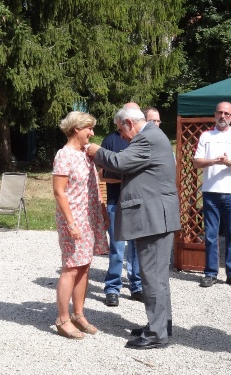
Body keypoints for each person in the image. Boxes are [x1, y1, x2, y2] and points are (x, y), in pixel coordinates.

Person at [87, 106, 180, 349]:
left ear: (129, 123)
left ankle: (157, 334)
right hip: (155, 216)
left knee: (152, 277)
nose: (123, 136)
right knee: (157, 277)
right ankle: (160, 324)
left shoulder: (147, 138)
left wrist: (95, 150)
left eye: (121, 130)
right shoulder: (152, 136)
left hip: (153, 218)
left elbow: (119, 162)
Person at [52, 111, 109, 340]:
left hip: (89, 217)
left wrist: (102, 210)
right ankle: (63, 318)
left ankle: (78, 314)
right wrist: (71, 223)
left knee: (85, 265)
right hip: (72, 218)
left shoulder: (86, 154)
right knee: (71, 267)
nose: (92, 133)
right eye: (89, 129)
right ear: (76, 129)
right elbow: (59, 191)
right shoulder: (64, 155)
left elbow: (96, 184)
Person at [193, 101, 231, 288]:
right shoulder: (206, 135)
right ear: (215, 114)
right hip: (211, 191)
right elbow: (196, 162)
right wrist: (213, 161)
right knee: (210, 234)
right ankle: (210, 273)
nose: (222, 116)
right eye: (219, 112)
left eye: (226, 113)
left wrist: (229, 162)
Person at [102, 111, 143, 307]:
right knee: (117, 248)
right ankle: (112, 288)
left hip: (136, 202)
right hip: (115, 201)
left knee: (136, 246)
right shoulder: (110, 141)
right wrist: (128, 176)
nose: (123, 133)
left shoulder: (141, 141)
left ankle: (136, 285)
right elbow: (105, 175)